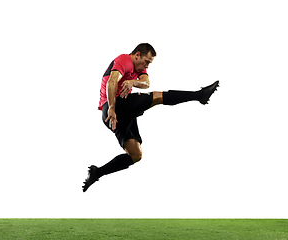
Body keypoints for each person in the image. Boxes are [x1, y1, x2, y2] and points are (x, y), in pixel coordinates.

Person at [82, 43, 219, 192]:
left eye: (149, 63)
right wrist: (113, 109)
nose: (146, 66)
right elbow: (112, 81)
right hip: (113, 107)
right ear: (137, 55)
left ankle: (97, 173)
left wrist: (134, 82)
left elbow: (146, 83)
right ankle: (199, 96)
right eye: (146, 61)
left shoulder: (140, 69)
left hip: (121, 115)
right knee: (157, 97)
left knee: (135, 154)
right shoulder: (124, 60)